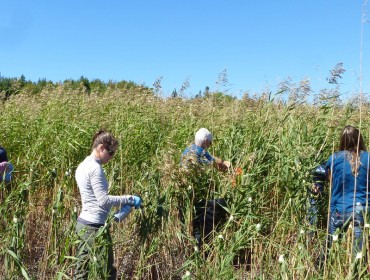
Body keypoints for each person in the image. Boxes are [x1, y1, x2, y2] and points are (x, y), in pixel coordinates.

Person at [74, 129, 142, 280]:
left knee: (81, 272)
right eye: (111, 153)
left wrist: (121, 210)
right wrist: (129, 198)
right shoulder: (95, 168)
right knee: (107, 272)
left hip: (84, 224)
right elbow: (103, 201)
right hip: (94, 227)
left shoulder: (82, 165)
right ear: (101, 148)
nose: (112, 157)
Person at [323, 125, 370, 259]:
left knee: (328, 250)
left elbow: (330, 181)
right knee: (359, 256)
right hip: (362, 210)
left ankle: (320, 269)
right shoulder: (368, 158)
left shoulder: (334, 158)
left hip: (338, 210)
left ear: (342, 140)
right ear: (360, 139)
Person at [180, 128, 231, 250]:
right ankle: (206, 245)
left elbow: (213, 159)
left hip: (187, 194)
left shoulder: (190, 150)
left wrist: (223, 162)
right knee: (220, 203)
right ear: (206, 141)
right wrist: (228, 166)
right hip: (197, 196)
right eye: (210, 143)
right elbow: (216, 164)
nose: (210, 145)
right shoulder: (200, 154)